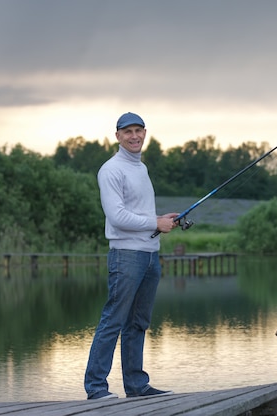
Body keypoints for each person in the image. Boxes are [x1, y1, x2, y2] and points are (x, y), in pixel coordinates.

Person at [84, 112, 178, 400]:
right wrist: (155, 222)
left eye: (139, 131)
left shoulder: (142, 168)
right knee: (113, 319)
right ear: (118, 136)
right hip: (126, 255)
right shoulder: (111, 170)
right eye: (128, 132)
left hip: (150, 255)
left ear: (145, 133)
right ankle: (96, 388)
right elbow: (118, 216)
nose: (134, 136)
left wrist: (161, 219)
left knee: (138, 323)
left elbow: (139, 212)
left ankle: (137, 386)